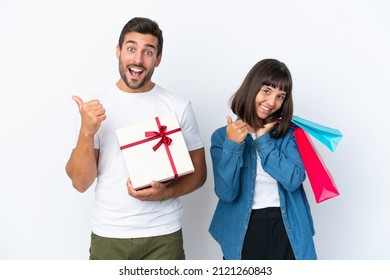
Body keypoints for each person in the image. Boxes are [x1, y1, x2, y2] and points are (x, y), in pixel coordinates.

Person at [65, 17, 207, 260]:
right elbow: (80, 183)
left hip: (164, 235)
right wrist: (86, 131)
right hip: (109, 234)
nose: (138, 60)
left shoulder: (178, 106)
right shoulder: (94, 110)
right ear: (118, 51)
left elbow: (199, 174)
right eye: (131, 48)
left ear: (158, 59)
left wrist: (165, 193)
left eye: (148, 52)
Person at [208, 58, 316, 260]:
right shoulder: (222, 137)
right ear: (252, 88)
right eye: (267, 91)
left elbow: (293, 180)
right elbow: (226, 193)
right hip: (245, 228)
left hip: (288, 226)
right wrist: (233, 145)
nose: (272, 102)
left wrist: (262, 139)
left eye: (280, 96)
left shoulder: (290, 135)